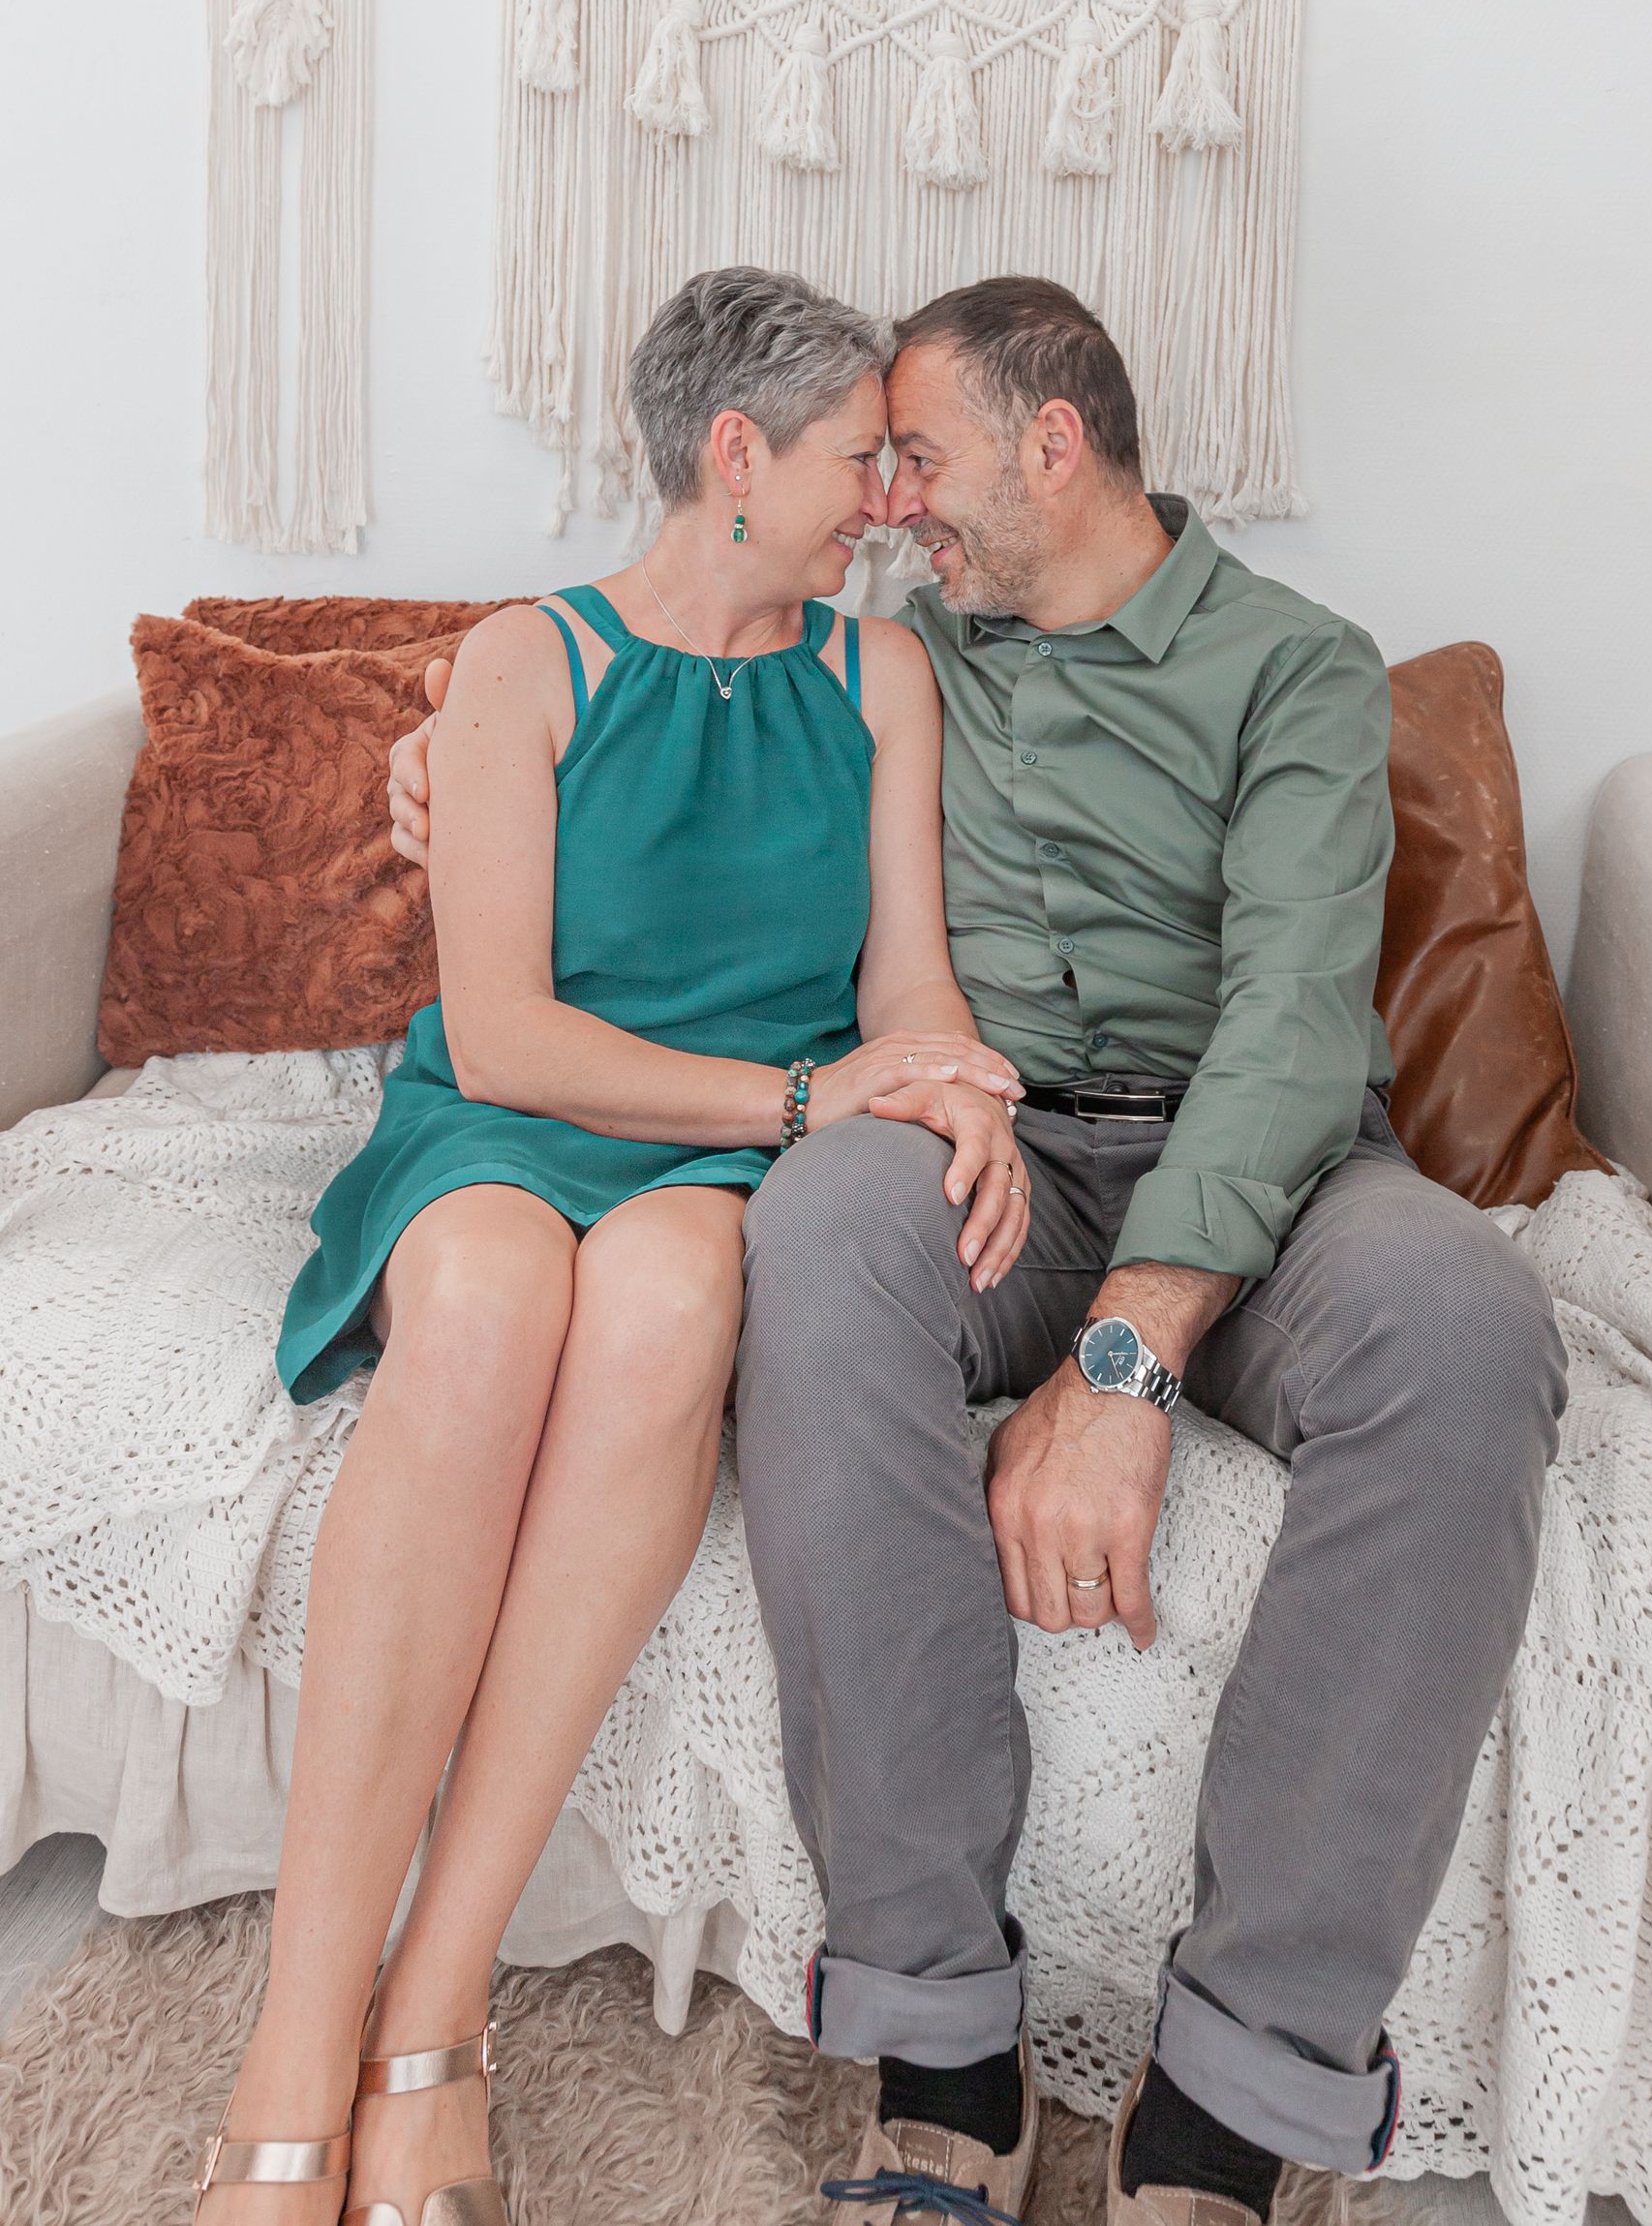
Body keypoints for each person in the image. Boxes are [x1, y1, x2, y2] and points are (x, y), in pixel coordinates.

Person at [389, 275, 1569, 2226]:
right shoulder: (900, 650)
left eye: (922, 458)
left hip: (1260, 1169)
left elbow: (1290, 1025)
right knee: (824, 1228)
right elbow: (660, 687)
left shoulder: (1299, 668)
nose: (896, 502)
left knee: (1469, 1323)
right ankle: (938, 2033)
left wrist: (1122, 1364)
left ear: (1055, 442)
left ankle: (1235, 2099)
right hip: (996, 1149)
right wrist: (426, 763)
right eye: (877, 465)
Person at [194, 269, 1028, 2226]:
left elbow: (903, 981)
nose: (888, 499)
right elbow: (506, 1036)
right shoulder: (524, 664)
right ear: (733, 456)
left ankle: (434, 2010)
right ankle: (295, 2051)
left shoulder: (872, 678)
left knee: (663, 1312)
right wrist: (806, 1105)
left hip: (726, 1161)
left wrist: (939, 1080)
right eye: (857, 459)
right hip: (518, 1127)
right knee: (482, 1306)